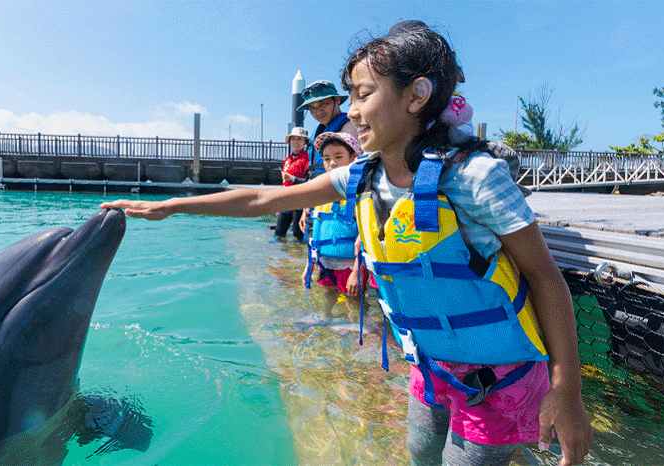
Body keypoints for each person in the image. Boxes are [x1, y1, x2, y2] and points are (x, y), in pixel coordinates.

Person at [102, 22, 591, 466]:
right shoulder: (363, 176)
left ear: (417, 95)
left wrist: (567, 391)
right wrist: (174, 206)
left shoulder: (474, 176)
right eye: (351, 96)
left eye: (363, 94)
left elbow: (545, 277)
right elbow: (263, 198)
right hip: (432, 364)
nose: (351, 110)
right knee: (421, 452)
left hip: (499, 374)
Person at [299, 132, 366, 317]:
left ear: (354, 158)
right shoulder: (322, 194)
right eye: (327, 159)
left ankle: (356, 327)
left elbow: (364, 237)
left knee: (353, 300)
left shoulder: (359, 193)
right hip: (325, 262)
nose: (332, 163)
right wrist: (309, 264)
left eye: (338, 157)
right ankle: (324, 321)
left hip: (349, 264)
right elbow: (315, 232)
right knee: (327, 295)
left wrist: (357, 271)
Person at [296, 80, 358, 177]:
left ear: (337, 101)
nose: (318, 112)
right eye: (312, 108)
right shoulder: (318, 131)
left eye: (322, 104)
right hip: (317, 183)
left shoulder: (348, 126)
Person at [274, 126, 310, 241]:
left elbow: (309, 181)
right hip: (286, 200)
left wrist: (292, 178)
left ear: (305, 142)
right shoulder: (287, 160)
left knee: (298, 235)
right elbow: (284, 183)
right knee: (279, 233)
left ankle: (298, 253)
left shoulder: (307, 158)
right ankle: (279, 253)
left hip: (300, 200)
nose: (296, 142)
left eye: (299, 139)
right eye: (293, 139)